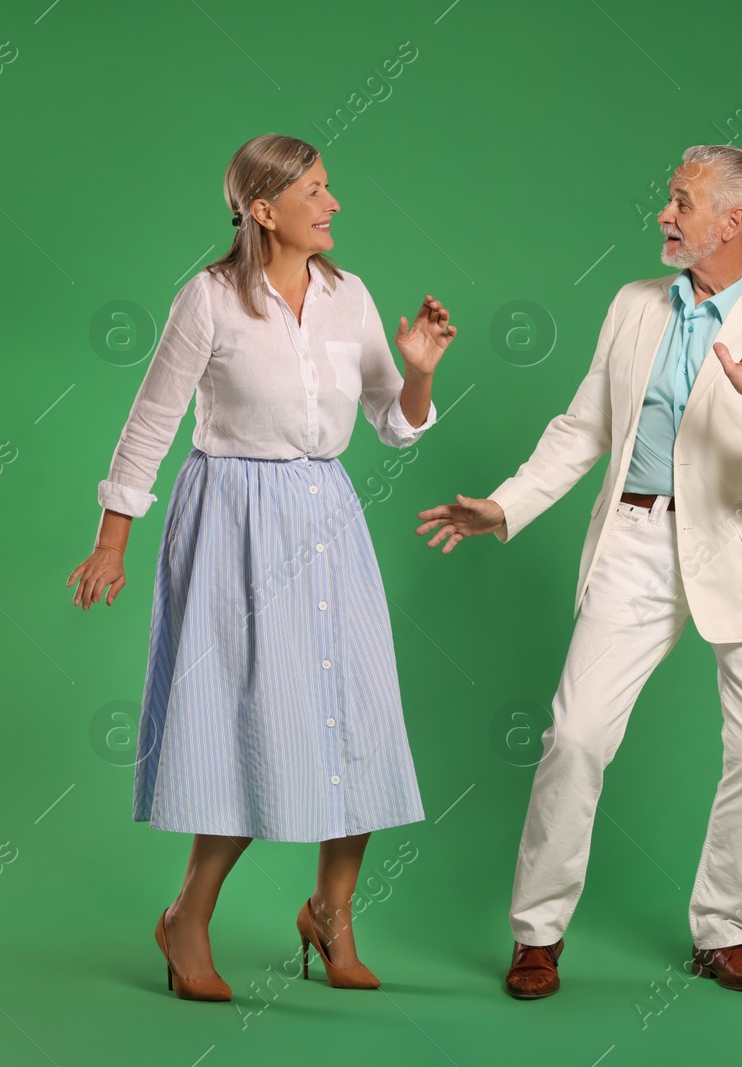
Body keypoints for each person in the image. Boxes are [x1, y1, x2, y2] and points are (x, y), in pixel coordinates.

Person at [415, 144, 742, 999]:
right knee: (575, 736)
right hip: (636, 541)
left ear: (734, 223)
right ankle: (538, 934)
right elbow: (583, 426)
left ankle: (725, 931)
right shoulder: (634, 306)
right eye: (670, 200)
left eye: (681, 202)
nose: (664, 215)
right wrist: (506, 505)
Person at [66, 133, 453, 1000]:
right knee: (246, 724)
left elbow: (397, 423)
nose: (334, 203)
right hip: (232, 523)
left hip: (329, 518)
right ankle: (187, 917)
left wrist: (420, 373)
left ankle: (332, 912)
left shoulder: (350, 299)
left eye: (331, 187)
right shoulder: (206, 300)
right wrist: (112, 541)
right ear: (264, 208)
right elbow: (151, 423)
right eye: (316, 190)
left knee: (354, 716)